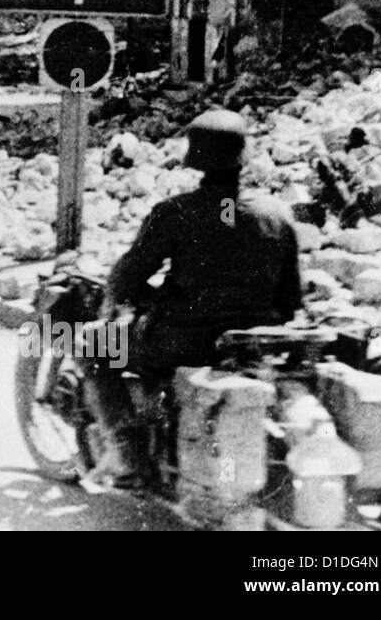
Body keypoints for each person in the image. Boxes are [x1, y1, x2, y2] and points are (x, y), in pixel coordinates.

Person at [86, 109, 303, 483]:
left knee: (93, 345)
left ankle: (125, 454)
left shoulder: (174, 212)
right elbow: (291, 300)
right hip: (252, 346)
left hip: (182, 343)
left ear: (195, 158)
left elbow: (128, 276)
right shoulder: (278, 214)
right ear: (242, 157)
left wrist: (138, 300)